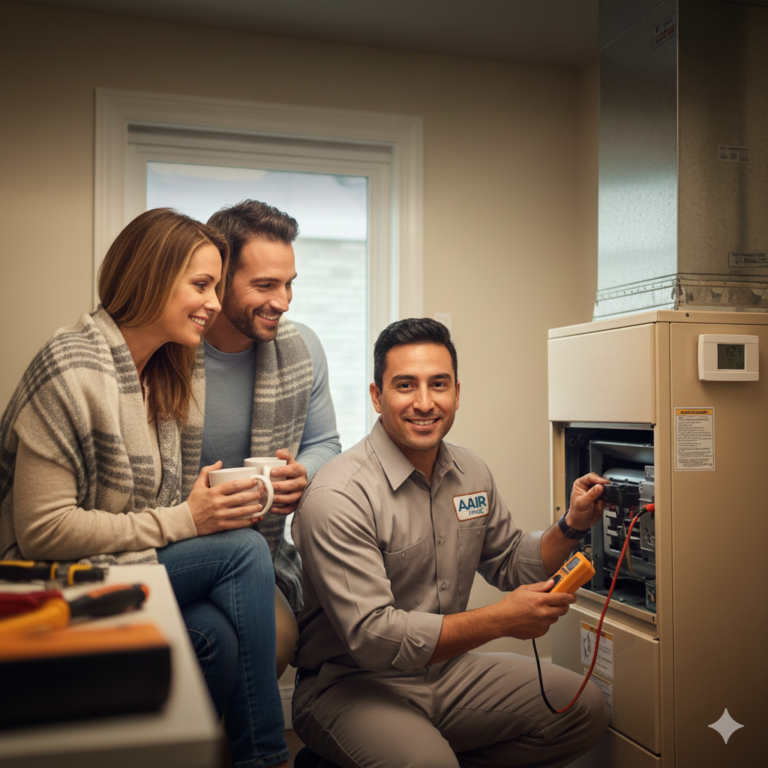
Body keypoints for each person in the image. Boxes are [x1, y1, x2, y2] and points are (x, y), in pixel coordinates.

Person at [0, 209, 290, 768]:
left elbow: (154, 504)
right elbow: (40, 531)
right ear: (152, 276)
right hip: (35, 581)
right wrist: (188, 518)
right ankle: (267, 757)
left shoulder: (164, 371)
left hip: (114, 562)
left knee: (216, 641)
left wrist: (202, 505)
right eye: (201, 285)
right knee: (245, 551)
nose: (213, 302)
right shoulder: (72, 368)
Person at [290, 318, 611, 768]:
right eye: (405, 385)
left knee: (583, 710)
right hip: (350, 683)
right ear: (377, 397)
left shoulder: (470, 472)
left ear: (457, 393)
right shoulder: (337, 495)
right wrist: (500, 621)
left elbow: (512, 562)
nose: (424, 403)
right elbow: (375, 639)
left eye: (438, 384)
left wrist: (572, 526)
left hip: (448, 672)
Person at [183, 200, 341, 674]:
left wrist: (302, 475)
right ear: (218, 277)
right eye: (266, 285)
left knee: (275, 645)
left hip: (260, 547)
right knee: (216, 643)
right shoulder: (172, 346)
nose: (284, 301)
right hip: (176, 540)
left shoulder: (302, 348)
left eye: (289, 284)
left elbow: (325, 443)